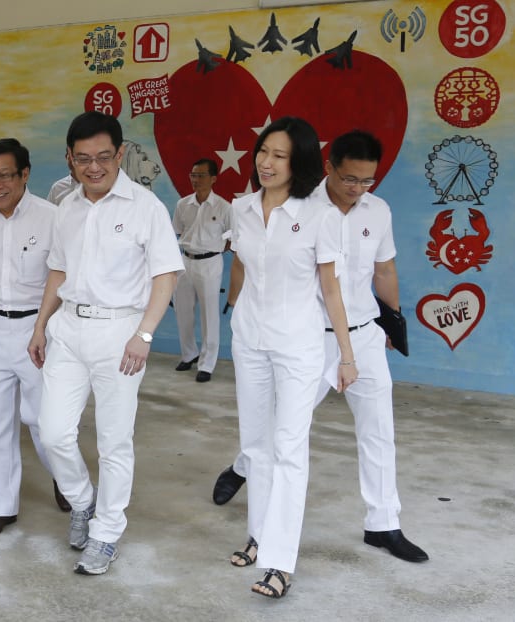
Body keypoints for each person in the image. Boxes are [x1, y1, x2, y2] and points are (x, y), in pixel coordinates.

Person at [215, 131, 428, 564]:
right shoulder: (300, 206)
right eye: (350, 178)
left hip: (362, 333)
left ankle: (383, 523)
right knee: (280, 432)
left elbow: (384, 271)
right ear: (328, 167)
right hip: (309, 336)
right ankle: (243, 468)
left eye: (367, 181)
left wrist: (393, 321)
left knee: (378, 428)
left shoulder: (378, 211)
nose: (357, 188)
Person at [28, 111, 184, 575]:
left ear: (120, 154)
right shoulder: (68, 207)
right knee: (53, 431)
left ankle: (107, 532)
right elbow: (59, 269)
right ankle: (82, 501)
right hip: (69, 329)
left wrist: (145, 334)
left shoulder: (145, 207)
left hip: (121, 334)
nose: (93, 167)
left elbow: (166, 274)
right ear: (69, 160)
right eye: (82, 159)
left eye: (102, 157)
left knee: (115, 441)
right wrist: (41, 325)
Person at [225, 117, 357, 599]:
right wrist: (235, 311)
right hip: (250, 341)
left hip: (299, 346)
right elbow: (242, 265)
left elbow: (331, 289)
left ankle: (281, 562)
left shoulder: (321, 216)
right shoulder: (241, 209)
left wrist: (345, 354)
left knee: (288, 448)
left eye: (279, 155)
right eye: (263, 151)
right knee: (255, 443)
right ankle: (259, 535)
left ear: (297, 162)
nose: (266, 162)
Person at [0, 138, 70, 538]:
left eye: (5, 175)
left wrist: (46, 328)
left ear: (24, 175)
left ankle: (67, 479)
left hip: (38, 329)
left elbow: (65, 276)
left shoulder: (52, 217)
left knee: (43, 420)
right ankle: (1, 505)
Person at [171, 158, 231, 382]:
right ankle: (189, 354)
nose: (195, 180)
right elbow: (177, 231)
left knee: (209, 314)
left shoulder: (223, 207)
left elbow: (232, 237)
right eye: (193, 175)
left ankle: (207, 364)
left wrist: (215, 250)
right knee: (183, 311)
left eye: (201, 176)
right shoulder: (182, 204)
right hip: (185, 260)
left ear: (213, 178)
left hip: (210, 263)